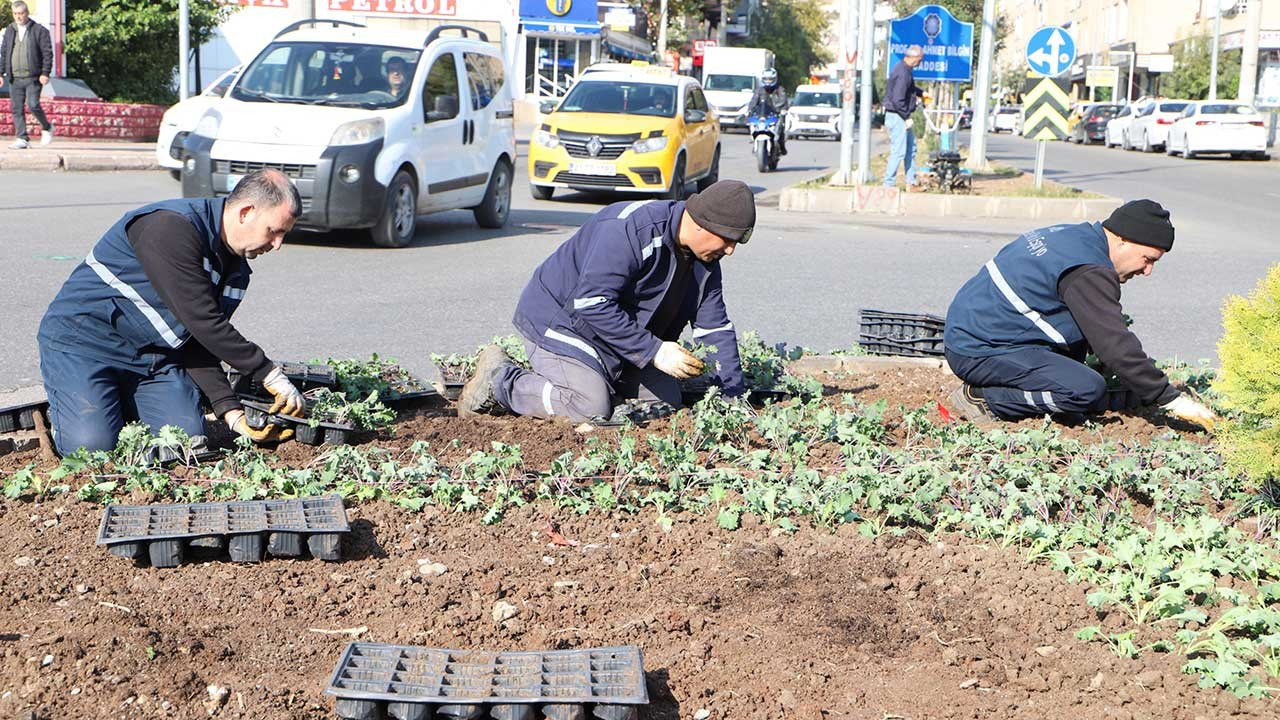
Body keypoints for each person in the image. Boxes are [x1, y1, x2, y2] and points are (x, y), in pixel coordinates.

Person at [37, 169, 308, 455]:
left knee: (184, 443)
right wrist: (267, 373)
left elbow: (198, 341)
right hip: (84, 346)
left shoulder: (236, 272)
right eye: (274, 231)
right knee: (92, 449)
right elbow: (203, 320)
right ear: (246, 212)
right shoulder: (169, 227)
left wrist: (232, 414)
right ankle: (72, 409)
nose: (278, 244)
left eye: (283, 235)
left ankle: (111, 405)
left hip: (152, 360)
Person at [457, 180, 756, 423]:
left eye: (737, 242)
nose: (730, 250)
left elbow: (714, 329)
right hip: (561, 323)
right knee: (589, 407)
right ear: (702, 223)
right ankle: (502, 382)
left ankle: (596, 382)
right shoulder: (630, 230)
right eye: (727, 239)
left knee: (667, 399)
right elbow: (591, 303)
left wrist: (734, 398)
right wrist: (653, 350)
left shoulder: (706, 263)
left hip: (613, 338)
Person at [943, 199, 1218, 432]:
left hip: (977, 332)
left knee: (1081, 380)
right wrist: (1168, 398)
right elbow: (1114, 343)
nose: (1147, 271)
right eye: (1148, 259)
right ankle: (982, 399)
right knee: (1084, 389)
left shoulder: (1075, 237)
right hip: (979, 349)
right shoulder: (1089, 270)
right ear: (1123, 240)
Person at [0, 1, 54, 149]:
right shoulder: (10, 30)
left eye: (21, 13)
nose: (18, 17)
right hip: (14, 78)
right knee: (16, 108)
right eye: (15, 14)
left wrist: (45, 72)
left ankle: (47, 127)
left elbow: (47, 53)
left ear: (27, 13)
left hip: (33, 77)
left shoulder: (39, 31)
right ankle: (22, 138)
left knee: (33, 104)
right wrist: (0, 72)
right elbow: (4, 52)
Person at [882, 45, 925, 188]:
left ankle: (911, 182)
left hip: (901, 115)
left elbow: (909, 89)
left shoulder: (905, 70)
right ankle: (888, 184)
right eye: (920, 59)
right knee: (899, 151)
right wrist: (906, 117)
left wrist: (921, 93)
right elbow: (898, 99)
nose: (921, 62)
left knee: (910, 149)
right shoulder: (902, 73)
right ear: (913, 57)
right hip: (897, 116)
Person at [747, 68, 788, 155]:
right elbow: (754, 101)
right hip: (763, 115)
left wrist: (781, 109)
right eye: (766, 79)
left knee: (781, 127)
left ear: (774, 79)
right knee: (752, 123)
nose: (768, 81)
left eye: (770, 79)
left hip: (775, 115)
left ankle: (781, 146)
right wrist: (750, 110)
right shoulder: (759, 90)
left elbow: (783, 101)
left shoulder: (780, 90)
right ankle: (753, 139)